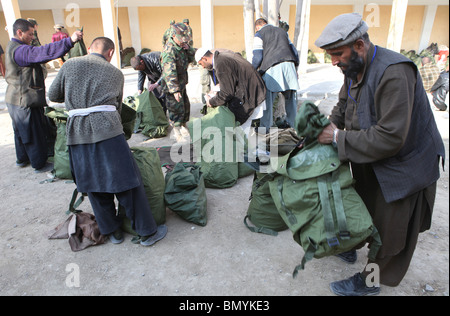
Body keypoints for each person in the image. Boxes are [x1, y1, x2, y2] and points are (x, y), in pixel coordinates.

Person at [315, 13, 445, 296]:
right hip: (372, 157)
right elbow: (342, 107)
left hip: (405, 167)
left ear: (359, 45)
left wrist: (337, 137)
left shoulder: (394, 72)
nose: (334, 61)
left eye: (338, 54)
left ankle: (371, 282)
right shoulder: (352, 69)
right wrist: (329, 126)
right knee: (363, 208)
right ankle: (352, 248)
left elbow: (390, 137)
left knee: (389, 233)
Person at [48, 37, 167, 247]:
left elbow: (53, 94)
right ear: (110, 53)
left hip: (77, 134)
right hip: (108, 132)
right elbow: (117, 108)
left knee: (94, 183)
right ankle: (147, 232)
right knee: (127, 182)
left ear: (91, 48)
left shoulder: (70, 64)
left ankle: (112, 232)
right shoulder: (115, 73)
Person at [4, 18, 83, 172]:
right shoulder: (20, 50)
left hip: (14, 99)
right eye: (30, 34)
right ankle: (38, 163)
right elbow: (43, 53)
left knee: (21, 132)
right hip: (25, 100)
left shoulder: (12, 46)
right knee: (33, 132)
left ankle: (22, 159)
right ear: (19, 33)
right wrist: (70, 41)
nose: (32, 37)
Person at [195, 47, 266, 136]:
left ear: (204, 58)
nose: (203, 67)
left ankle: (240, 149)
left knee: (238, 132)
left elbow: (227, 93)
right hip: (254, 92)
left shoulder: (221, 63)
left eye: (201, 64)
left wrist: (211, 101)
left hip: (250, 95)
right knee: (239, 132)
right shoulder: (223, 57)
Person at [252, 18, 299, 132]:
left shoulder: (259, 34)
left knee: (267, 100)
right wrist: (295, 67)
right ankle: (295, 127)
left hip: (273, 68)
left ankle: (265, 128)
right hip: (289, 65)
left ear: (258, 27)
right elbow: (294, 51)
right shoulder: (283, 32)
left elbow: (258, 56)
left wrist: (253, 71)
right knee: (290, 100)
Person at [160, 22, 195, 142]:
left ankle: (183, 126)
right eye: (181, 39)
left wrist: (188, 49)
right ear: (174, 36)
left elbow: (193, 59)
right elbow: (169, 72)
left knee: (185, 107)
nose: (183, 41)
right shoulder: (169, 50)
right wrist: (175, 90)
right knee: (175, 109)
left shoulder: (182, 46)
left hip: (181, 83)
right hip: (172, 85)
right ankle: (176, 131)